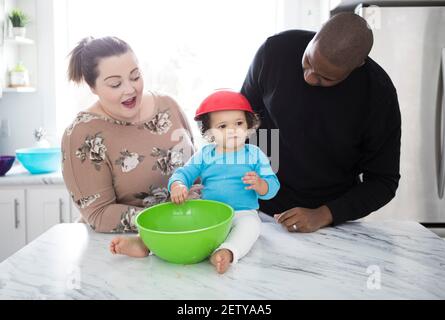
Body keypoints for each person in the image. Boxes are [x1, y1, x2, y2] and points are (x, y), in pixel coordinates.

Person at [241, 12, 401, 233]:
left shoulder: (378, 95)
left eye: (326, 78)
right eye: (307, 62)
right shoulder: (275, 51)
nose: (309, 77)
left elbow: (384, 181)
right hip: (256, 206)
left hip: (327, 221)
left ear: (357, 66)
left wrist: (325, 214)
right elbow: (242, 119)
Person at [110, 90, 280, 274]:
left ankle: (227, 251)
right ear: (209, 132)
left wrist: (261, 185)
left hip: (242, 213)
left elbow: (273, 186)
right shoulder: (206, 155)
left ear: (248, 125)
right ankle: (145, 243)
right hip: (208, 214)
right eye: (222, 126)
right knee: (180, 216)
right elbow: (184, 173)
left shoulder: (254, 154)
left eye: (239, 123)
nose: (232, 131)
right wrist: (178, 185)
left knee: (251, 226)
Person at [62, 36, 201, 240]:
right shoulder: (82, 134)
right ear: (93, 87)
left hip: (189, 232)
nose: (130, 89)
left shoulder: (168, 106)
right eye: (115, 84)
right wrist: (169, 218)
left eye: (135, 77)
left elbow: (197, 168)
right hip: (121, 248)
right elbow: (99, 215)